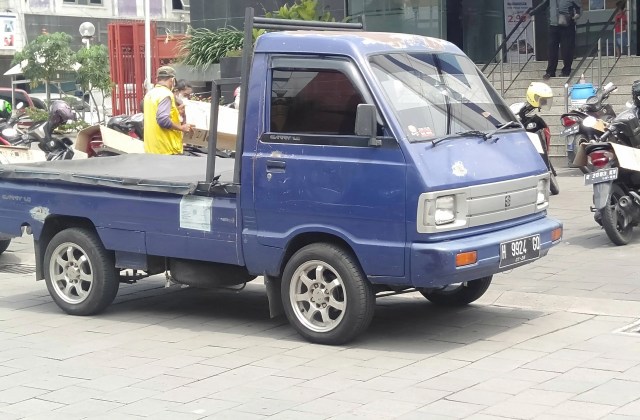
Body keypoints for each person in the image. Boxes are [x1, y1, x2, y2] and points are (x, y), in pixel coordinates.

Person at [143, 66, 192, 155]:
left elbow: (154, 114)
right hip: (166, 149)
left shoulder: (150, 94)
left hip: (151, 149)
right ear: (172, 80)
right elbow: (163, 120)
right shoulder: (166, 94)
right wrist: (181, 128)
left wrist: (177, 111)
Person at [531, 0, 581, 80]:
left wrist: (575, 16)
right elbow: (543, 5)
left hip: (567, 26)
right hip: (553, 26)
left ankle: (566, 71)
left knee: (567, 49)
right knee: (552, 50)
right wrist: (530, 13)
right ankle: (550, 72)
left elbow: (579, 8)